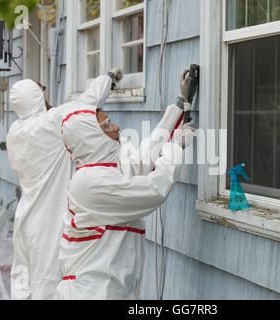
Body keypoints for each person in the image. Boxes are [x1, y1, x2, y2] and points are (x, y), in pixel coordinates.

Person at [55, 69, 196, 300]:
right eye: (107, 125)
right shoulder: (90, 183)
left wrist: (178, 105)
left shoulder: (104, 168)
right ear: (92, 137)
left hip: (107, 288)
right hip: (90, 292)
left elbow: (141, 163)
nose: (117, 127)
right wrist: (176, 147)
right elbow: (153, 190)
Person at [6, 69, 123, 300]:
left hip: (24, 219)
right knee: (46, 284)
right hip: (47, 221)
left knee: (22, 282)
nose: (46, 95)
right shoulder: (52, 122)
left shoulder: (14, 132)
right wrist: (109, 78)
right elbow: (87, 100)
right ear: (37, 98)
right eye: (42, 92)